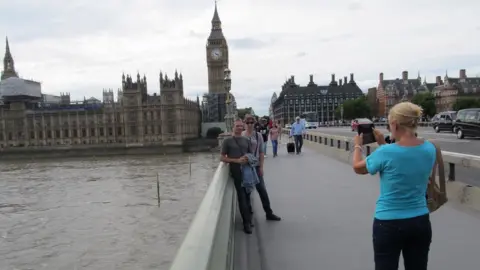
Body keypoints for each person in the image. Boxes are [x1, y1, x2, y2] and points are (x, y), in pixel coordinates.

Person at [352, 102, 436, 270]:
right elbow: (403, 160)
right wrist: (384, 143)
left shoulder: (385, 153)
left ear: (395, 124)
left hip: (389, 223)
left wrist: (357, 145)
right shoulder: (429, 148)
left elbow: (358, 168)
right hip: (420, 220)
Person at [242, 115, 281, 222]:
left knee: (262, 190)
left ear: (255, 124)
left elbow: (261, 152)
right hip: (246, 167)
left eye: (251, 122)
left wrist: (261, 167)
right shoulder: (241, 135)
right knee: (247, 191)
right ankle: (249, 215)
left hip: (256, 165)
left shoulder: (258, 135)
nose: (250, 124)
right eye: (247, 122)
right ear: (244, 123)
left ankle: (269, 213)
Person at [220, 119, 253, 234]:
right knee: (242, 196)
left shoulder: (246, 140)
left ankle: (249, 219)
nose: (239, 128)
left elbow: (251, 154)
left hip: (247, 171)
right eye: (237, 126)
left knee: (248, 194)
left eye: (240, 126)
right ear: (233, 127)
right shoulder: (227, 141)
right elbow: (222, 157)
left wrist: (247, 158)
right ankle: (246, 223)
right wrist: (236, 161)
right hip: (236, 171)